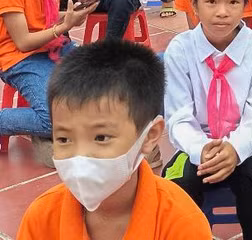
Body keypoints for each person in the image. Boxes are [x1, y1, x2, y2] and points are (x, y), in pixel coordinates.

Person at [17, 39, 213, 239]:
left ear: (149, 136)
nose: (80, 156)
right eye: (64, 139)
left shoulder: (182, 223)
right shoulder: (42, 219)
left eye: (101, 137)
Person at [162, 0, 252, 240]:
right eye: (211, 1)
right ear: (194, 5)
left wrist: (235, 149)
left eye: (233, 2)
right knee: (176, 183)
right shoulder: (180, 50)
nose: (222, 12)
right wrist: (201, 150)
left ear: (245, 5)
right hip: (199, 139)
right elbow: (179, 116)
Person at [0, 0, 95, 164]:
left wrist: (72, 16)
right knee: (53, 121)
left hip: (52, 46)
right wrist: (63, 25)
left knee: (106, 81)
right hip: (20, 58)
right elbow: (22, 42)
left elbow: (49, 15)